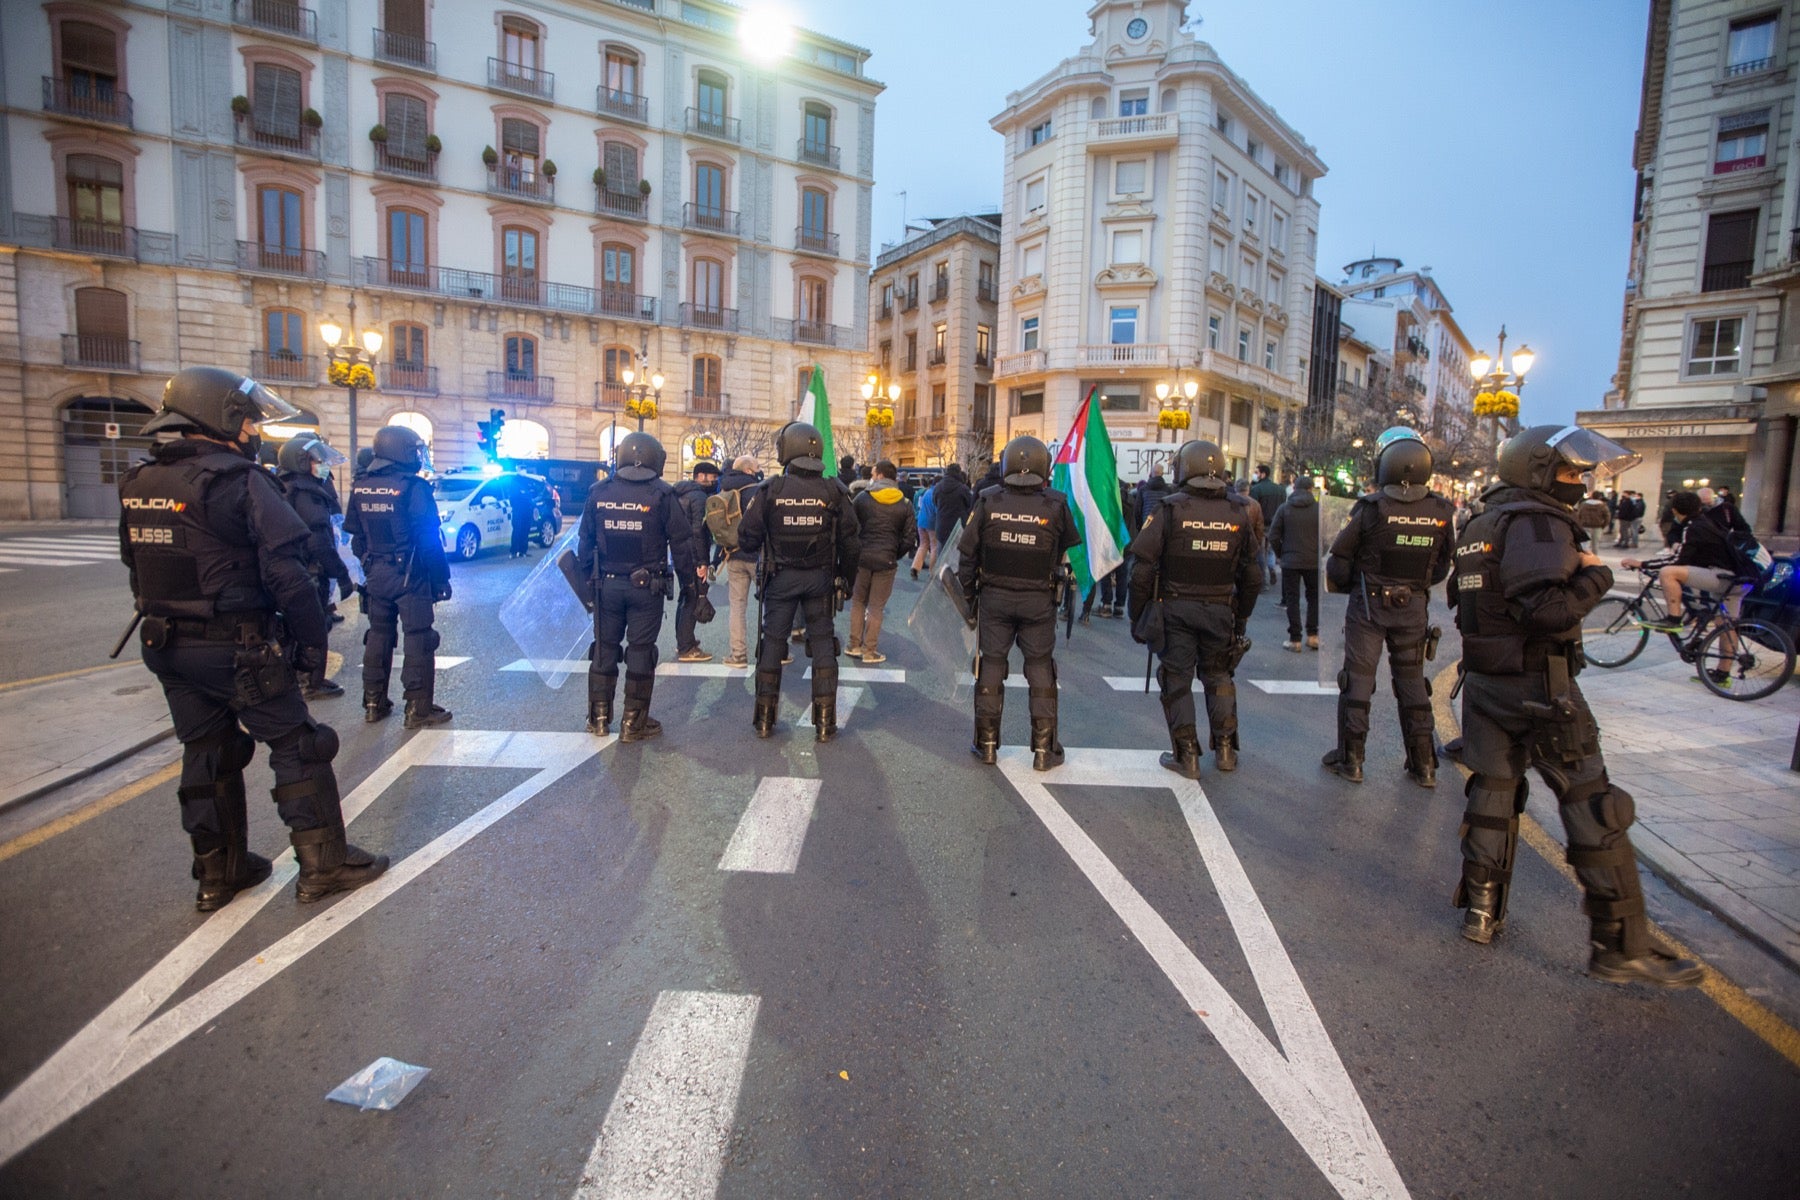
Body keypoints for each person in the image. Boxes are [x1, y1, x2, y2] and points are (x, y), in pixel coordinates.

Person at [119, 366, 386, 909]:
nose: (253, 431)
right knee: (300, 745)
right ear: (223, 417)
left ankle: (219, 873)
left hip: (166, 643)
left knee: (206, 752)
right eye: (246, 421)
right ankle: (323, 865)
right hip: (236, 645)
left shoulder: (140, 482)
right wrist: (312, 643)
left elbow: (134, 565)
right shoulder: (240, 482)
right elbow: (287, 573)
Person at [1448, 425, 1702, 987]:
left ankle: (1482, 911)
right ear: (1538, 472)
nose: (1581, 482)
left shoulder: (1481, 522)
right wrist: (1598, 577)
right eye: (1571, 473)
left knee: (1492, 793)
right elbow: (1546, 610)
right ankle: (1620, 945)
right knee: (1596, 809)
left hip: (1488, 683)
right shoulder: (1539, 522)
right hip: (1542, 685)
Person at [1320, 428, 1456, 786]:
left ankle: (1352, 759)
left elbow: (1339, 558)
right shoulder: (1442, 510)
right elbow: (1443, 565)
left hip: (1370, 606)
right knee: (1412, 683)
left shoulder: (1371, 507)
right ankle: (1423, 763)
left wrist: (1353, 584)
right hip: (1413, 608)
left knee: (1358, 682)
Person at [1127, 439, 1260, 776]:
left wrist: (1138, 612)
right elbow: (1253, 574)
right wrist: (1241, 615)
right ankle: (1226, 749)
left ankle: (1186, 755)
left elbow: (1142, 568)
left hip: (1176, 610)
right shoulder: (1240, 511)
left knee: (1177, 680)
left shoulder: (1170, 509)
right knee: (1219, 676)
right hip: (1220, 610)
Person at [958, 435, 1080, 770]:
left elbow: (967, 556)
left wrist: (967, 598)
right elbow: (1067, 553)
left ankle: (986, 745)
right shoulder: (1055, 504)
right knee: (1041, 669)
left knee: (991, 668)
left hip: (994, 597)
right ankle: (1044, 750)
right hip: (1038, 600)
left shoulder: (987, 500)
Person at [738, 422, 860, 740]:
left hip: (779, 580)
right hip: (820, 579)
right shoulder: (835, 490)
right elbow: (851, 542)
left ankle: (764, 719)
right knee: (823, 645)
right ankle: (825, 721)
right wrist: (846, 579)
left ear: (786, 451)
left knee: (772, 644)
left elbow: (747, 538)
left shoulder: (771, 490)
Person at [576, 432, 695, 741]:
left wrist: (588, 584)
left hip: (606, 587)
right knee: (641, 652)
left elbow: (584, 543)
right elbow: (682, 546)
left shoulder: (598, 492)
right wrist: (691, 589)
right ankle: (634, 723)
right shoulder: (662, 494)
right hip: (646, 588)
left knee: (604, 649)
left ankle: (599, 718)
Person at [344, 424, 452, 729]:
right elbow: (429, 540)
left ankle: (372, 701)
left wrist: (369, 564)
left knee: (378, 636)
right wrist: (441, 579)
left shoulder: (361, 485)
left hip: (376, 575)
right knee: (419, 638)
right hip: (411, 575)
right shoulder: (413, 488)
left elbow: (355, 536)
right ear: (401, 451)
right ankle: (418, 708)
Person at [275, 435, 354, 699]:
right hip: (309, 570)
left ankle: (293, 676)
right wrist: (341, 574)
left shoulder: (280, 487)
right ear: (301, 462)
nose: (322, 465)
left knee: (291, 627)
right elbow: (318, 540)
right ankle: (312, 680)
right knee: (316, 627)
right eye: (316, 460)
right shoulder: (308, 493)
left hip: (285, 570)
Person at [1623, 490, 1749, 629]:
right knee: (1726, 626)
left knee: (1668, 572)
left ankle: (1673, 619)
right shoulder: (1706, 522)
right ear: (1699, 507)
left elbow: (1677, 561)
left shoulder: (1693, 527)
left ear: (1674, 511)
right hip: (1739, 577)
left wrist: (1642, 564)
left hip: (1724, 577)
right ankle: (1727, 650)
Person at [848, 460, 917, 664]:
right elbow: (909, 537)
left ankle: (854, 644)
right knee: (876, 607)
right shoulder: (904, 503)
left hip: (862, 557)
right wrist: (894, 553)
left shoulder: (863, 498)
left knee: (858, 601)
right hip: (886, 560)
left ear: (878, 475)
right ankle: (870, 650)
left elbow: (851, 527)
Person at [712, 455, 761, 669]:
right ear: (748, 470)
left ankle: (738, 655)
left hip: (732, 554)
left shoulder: (724, 491)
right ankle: (773, 651)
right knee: (770, 606)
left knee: (737, 607)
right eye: (757, 467)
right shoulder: (758, 491)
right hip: (759, 555)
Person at [671, 460, 719, 663]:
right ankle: (687, 647)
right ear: (701, 476)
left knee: (685, 595)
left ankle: (683, 640)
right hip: (693, 554)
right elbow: (698, 531)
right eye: (712, 476)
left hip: (679, 552)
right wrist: (702, 562)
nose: (714, 480)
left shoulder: (679, 493)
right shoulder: (699, 497)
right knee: (693, 597)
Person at [1268, 474, 1321, 653]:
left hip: (1290, 559)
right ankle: (1313, 635)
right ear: (1311, 489)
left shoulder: (1285, 508)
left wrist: (1281, 554)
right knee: (1313, 598)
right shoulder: (1319, 509)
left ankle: (1295, 638)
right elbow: (1328, 536)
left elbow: (1274, 535)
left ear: (1294, 488)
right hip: (1313, 560)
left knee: (1292, 599)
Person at [1248, 465, 1286, 587]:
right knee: (1270, 551)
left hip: (1261, 525)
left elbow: (1252, 508)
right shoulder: (1280, 490)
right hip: (1275, 525)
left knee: (1260, 553)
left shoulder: (1256, 489)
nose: (1255, 474)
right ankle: (1271, 569)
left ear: (1262, 474)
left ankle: (1262, 580)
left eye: (1256, 472)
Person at [932, 462, 976, 546]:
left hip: (941, 525)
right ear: (958, 473)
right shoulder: (963, 488)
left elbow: (935, 502)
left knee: (942, 554)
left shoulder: (938, 487)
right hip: (957, 527)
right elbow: (971, 505)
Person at [911, 480, 939, 580]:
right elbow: (937, 510)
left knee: (923, 545)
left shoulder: (926, 492)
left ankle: (915, 567)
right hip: (931, 523)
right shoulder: (935, 494)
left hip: (921, 521)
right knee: (934, 546)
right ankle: (932, 571)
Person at [1136, 461, 1173, 528]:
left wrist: (1139, 527)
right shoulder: (1168, 491)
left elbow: (1137, 511)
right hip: (1162, 526)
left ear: (1150, 473)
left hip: (1146, 525)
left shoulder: (1143, 490)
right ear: (1162, 474)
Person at [507, 473, 535, 558]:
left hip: (526, 511)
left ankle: (523, 551)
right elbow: (513, 499)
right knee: (517, 530)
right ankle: (514, 551)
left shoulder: (527, 482)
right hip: (518, 511)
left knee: (525, 530)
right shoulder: (514, 484)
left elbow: (531, 496)